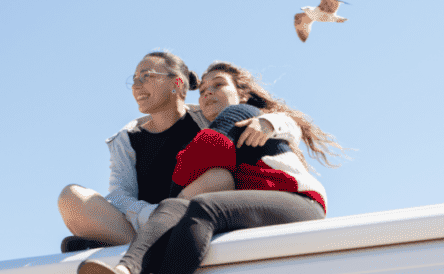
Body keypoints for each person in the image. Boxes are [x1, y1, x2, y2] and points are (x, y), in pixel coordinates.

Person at [76, 61, 342, 274]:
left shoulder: (240, 113)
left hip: (299, 201)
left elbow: (208, 149)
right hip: (255, 206)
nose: (207, 93)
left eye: (218, 85)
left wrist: (178, 185)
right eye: (202, 90)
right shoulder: (239, 120)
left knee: (200, 206)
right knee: (182, 206)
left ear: (241, 93)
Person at [57, 52, 304, 252]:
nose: (136, 84)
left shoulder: (208, 114)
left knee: (219, 178)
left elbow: (266, 122)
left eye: (146, 76)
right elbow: (120, 195)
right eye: (133, 79)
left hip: (197, 219)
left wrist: (272, 123)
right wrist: (153, 215)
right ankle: (144, 249)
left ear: (177, 84)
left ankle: (123, 248)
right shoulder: (127, 138)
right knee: (71, 197)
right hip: (144, 225)